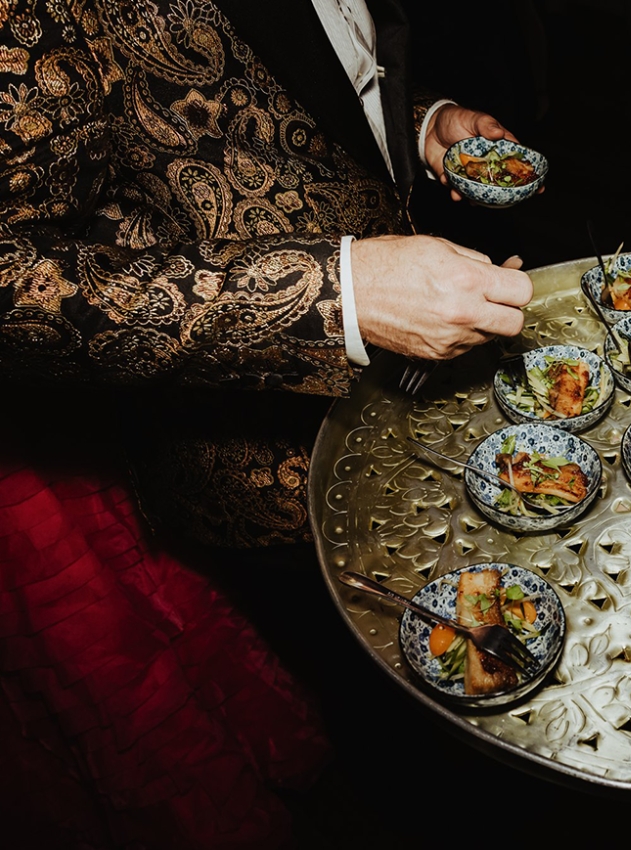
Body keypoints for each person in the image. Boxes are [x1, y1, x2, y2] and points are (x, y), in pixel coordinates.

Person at [1, 0, 534, 547]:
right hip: (271, 465)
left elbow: (304, 72)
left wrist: (414, 122)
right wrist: (337, 291)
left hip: (428, 402)